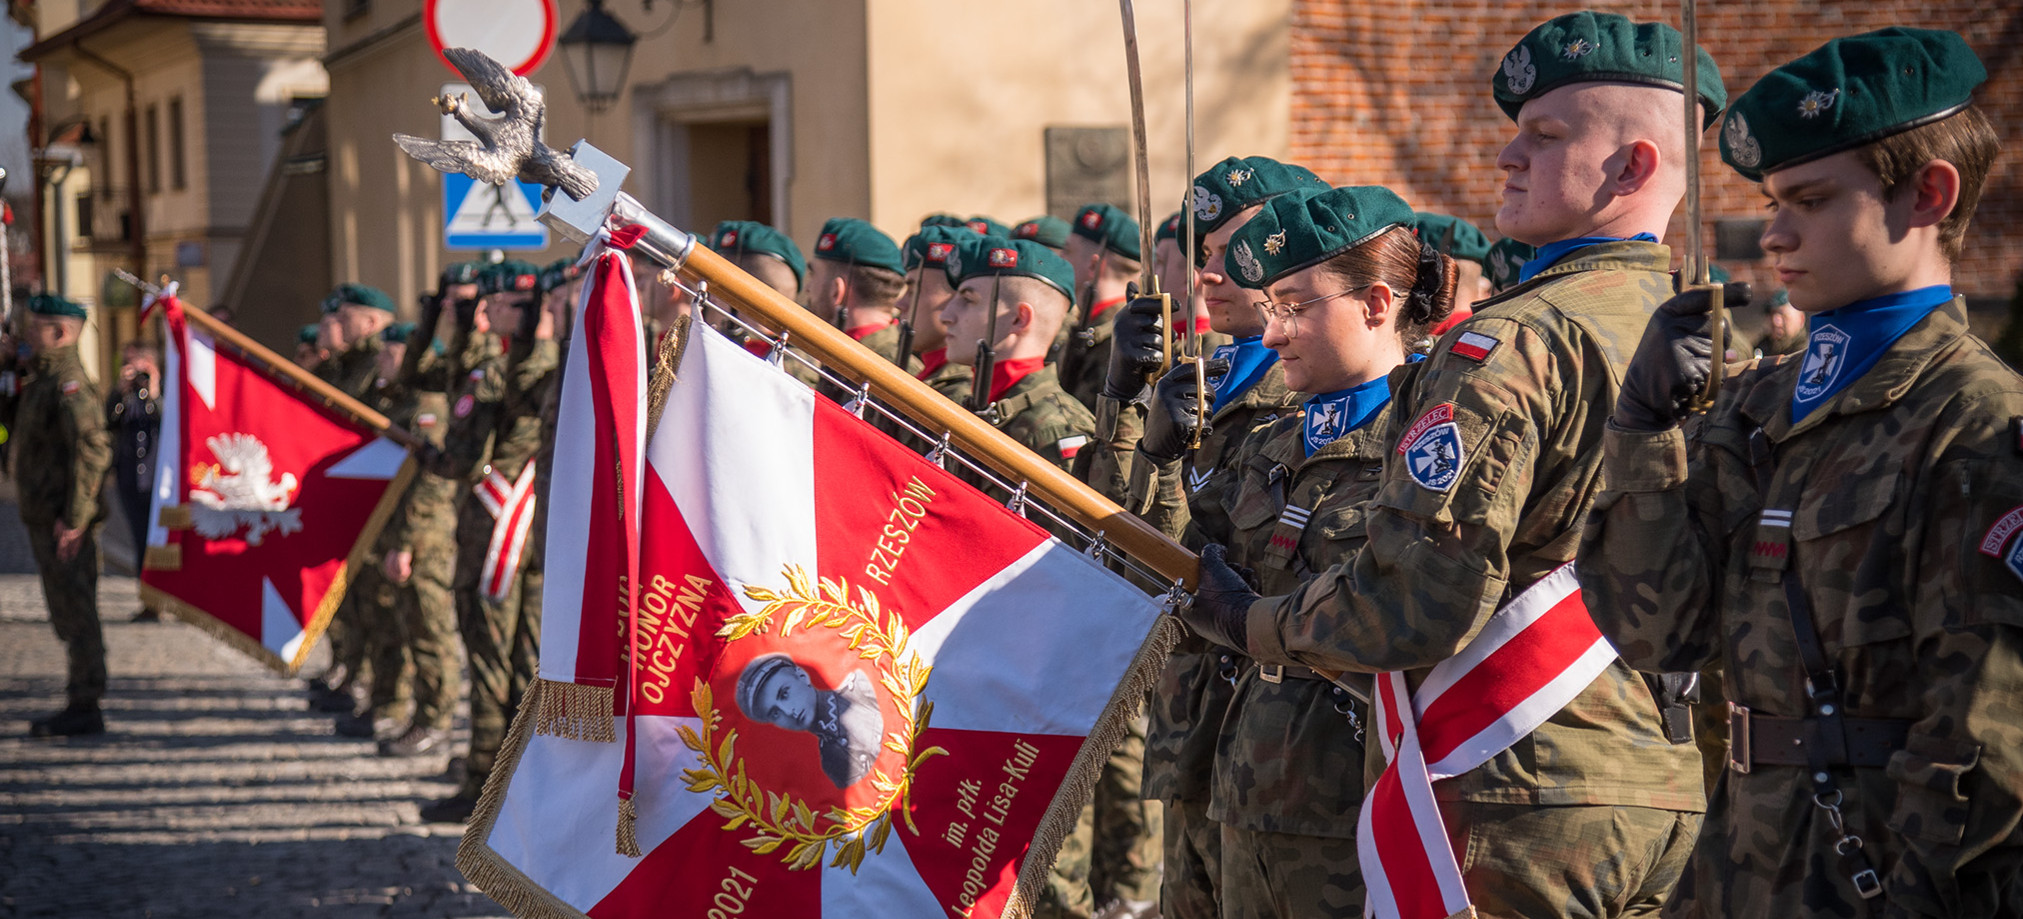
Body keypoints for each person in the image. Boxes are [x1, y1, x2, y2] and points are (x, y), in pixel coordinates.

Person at [1183, 13, 1721, 916]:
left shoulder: (1512, 340)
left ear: (1632, 166)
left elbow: (1417, 597)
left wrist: (1259, 627)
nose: (1506, 156)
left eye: (1545, 137)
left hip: (1518, 775)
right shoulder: (1703, 329)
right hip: (1661, 777)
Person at [1579, 27, 2023, 917]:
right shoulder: (1762, 405)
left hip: (1875, 872)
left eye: (1811, 200)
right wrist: (1642, 430)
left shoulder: (1975, 421)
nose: (1773, 234)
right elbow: (1655, 632)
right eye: (1773, 201)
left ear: (1927, 196)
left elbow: (1989, 739)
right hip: (1738, 859)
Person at [1210, 184, 1457, 919]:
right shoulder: (1268, 441)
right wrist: (1153, 449)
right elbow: (1180, 578)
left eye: (1294, 307)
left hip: (1363, 809)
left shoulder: (1426, 443)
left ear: (1376, 304)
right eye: (1271, 310)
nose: (1274, 335)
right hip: (1247, 794)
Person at [1095, 155, 1320, 919]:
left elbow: (1232, 562)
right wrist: (1124, 401)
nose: (1209, 274)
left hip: (1287, 762)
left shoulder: (1317, 394)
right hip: (1193, 736)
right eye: (1206, 254)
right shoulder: (1206, 375)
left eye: (1231, 253)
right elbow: (1136, 557)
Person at [421, 259, 558, 822]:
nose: (486, 311)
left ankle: (490, 782)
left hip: (504, 537)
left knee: (497, 661)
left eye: (500, 303)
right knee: (512, 662)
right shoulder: (511, 364)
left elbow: (463, 451)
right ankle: (502, 777)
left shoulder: (530, 369)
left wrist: (481, 343)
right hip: (508, 533)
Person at [378, 262, 480, 758]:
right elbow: (417, 366)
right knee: (416, 628)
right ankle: (428, 716)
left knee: (433, 631)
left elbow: (428, 482)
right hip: (422, 530)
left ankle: (437, 720)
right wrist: (429, 315)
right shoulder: (432, 377)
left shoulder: (439, 394)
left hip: (433, 532)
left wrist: (406, 542)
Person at [13, 294, 112, 736]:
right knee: (65, 611)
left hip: (62, 519)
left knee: (77, 611)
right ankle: (80, 697)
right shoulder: (42, 378)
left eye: (37, 327)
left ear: (61, 332)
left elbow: (92, 449)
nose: (28, 335)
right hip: (45, 515)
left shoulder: (68, 383)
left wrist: (74, 518)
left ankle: (86, 703)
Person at [734, 654, 885, 790]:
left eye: (785, 693)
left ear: (801, 676)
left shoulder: (862, 689)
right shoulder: (830, 762)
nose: (787, 711)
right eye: (775, 713)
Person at [807, 217, 920, 380]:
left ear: (836, 291)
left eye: (813, 275)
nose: (808, 288)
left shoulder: (882, 366)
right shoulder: (896, 360)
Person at [1058, 203, 1144, 410]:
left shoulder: (1127, 338)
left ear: (1094, 266)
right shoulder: (1088, 326)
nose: (1061, 259)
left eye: (1068, 251)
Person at [105, 340, 161, 622]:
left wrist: (155, 392)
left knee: (161, 543)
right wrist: (119, 389)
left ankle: (168, 600)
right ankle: (149, 603)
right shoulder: (125, 397)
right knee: (140, 542)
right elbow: (107, 422)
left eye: (140, 366)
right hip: (130, 479)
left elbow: (168, 422)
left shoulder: (161, 396)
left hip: (159, 482)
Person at [900, 225, 975, 402]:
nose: (900, 303)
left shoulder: (961, 393)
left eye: (913, 291)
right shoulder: (929, 377)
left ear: (956, 299)